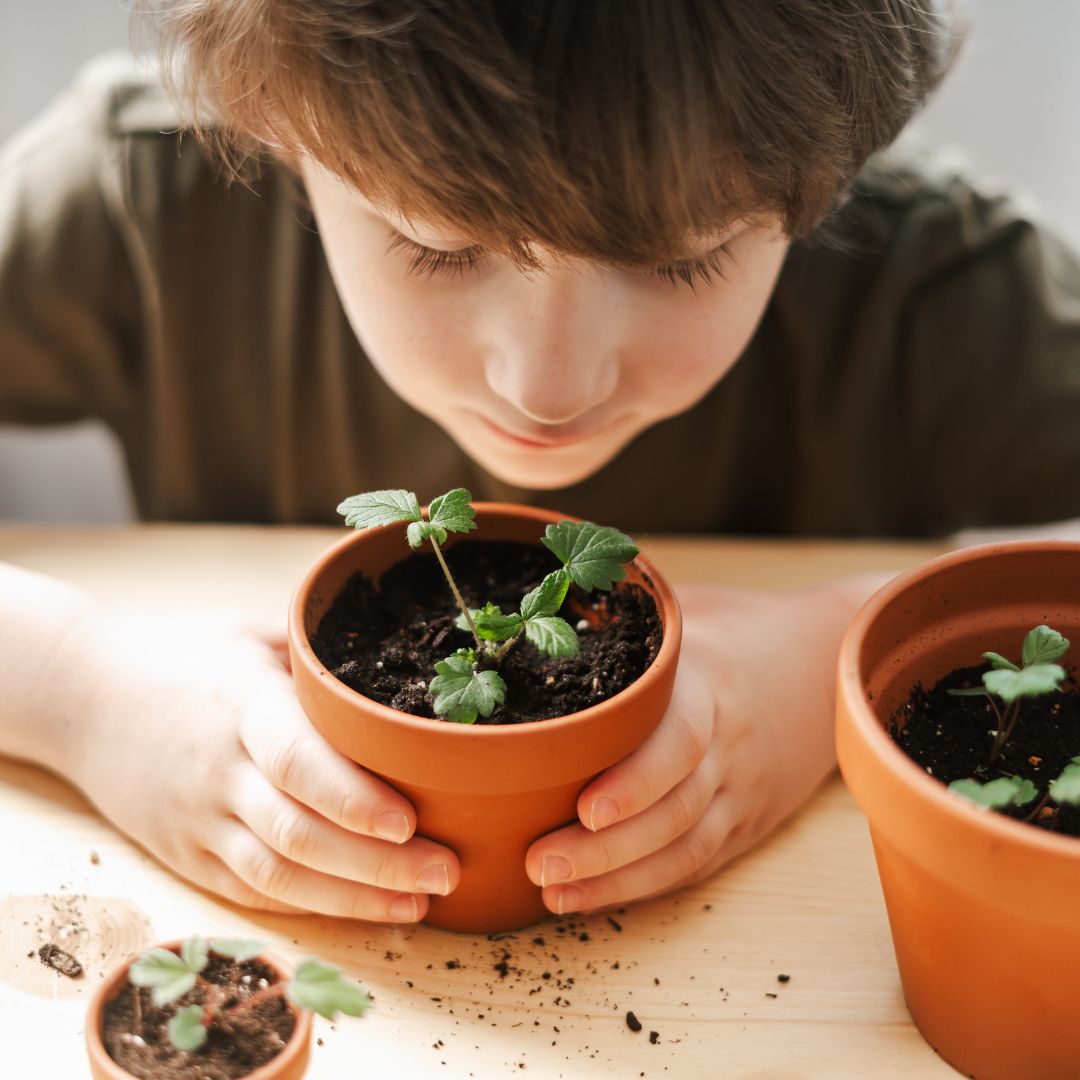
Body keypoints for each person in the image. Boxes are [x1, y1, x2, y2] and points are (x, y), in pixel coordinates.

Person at [1, 1, 1078, 924]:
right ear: (281, 136)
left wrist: (836, 663)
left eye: (681, 259)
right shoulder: (147, 200)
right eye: (436, 243)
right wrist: (75, 687)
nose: (546, 385)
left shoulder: (940, 295)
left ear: (826, 178)